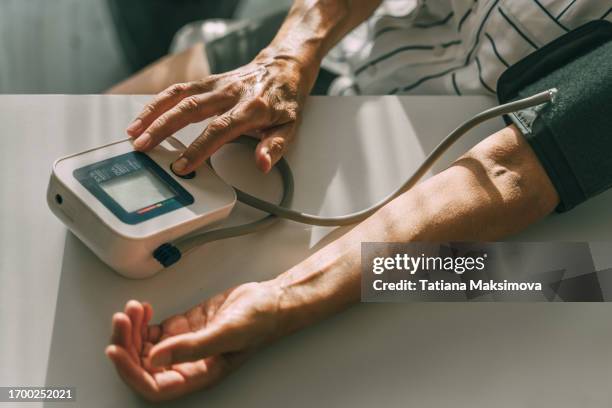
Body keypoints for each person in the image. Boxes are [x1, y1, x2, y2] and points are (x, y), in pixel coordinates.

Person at [104, 0, 611, 401]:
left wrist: (283, 299)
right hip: (342, 44)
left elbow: (509, 173)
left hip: (470, 182)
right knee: (102, 121)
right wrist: (288, 54)